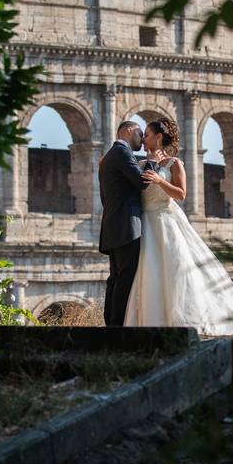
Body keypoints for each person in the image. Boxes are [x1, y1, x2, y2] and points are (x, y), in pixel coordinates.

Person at [125, 117, 233, 337]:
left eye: (146, 135)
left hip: (165, 222)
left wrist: (159, 181)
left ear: (158, 137)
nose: (143, 140)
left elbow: (182, 194)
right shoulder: (139, 165)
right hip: (145, 222)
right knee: (147, 275)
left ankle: (176, 326)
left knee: (173, 273)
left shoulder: (175, 163)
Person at [97, 120, 149, 326]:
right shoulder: (122, 152)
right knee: (125, 277)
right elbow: (142, 181)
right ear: (128, 131)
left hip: (113, 227)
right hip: (127, 226)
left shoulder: (108, 157)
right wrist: (152, 161)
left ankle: (111, 323)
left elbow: (104, 197)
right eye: (139, 134)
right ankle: (118, 327)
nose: (142, 139)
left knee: (115, 279)